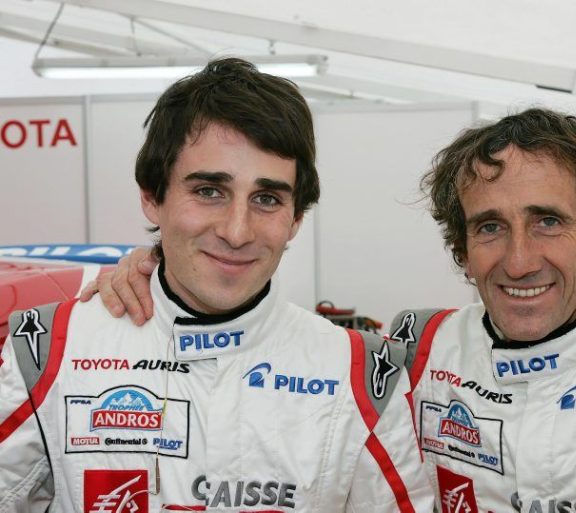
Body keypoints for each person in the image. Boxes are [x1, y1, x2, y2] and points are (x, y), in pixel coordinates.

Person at [83, 109, 576, 512]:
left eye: (549, 221)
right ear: (462, 248)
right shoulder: (417, 346)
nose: (519, 260)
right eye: (490, 227)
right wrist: (156, 272)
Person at [0, 58, 433, 513]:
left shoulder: (362, 375)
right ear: (152, 196)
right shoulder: (48, 351)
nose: (237, 231)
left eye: (267, 199)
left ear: (295, 219)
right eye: (209, 191)